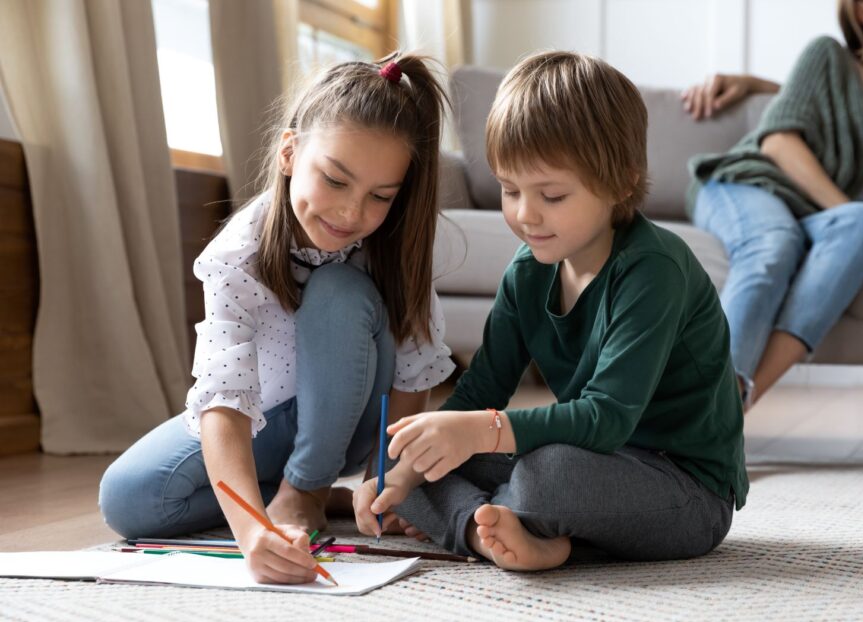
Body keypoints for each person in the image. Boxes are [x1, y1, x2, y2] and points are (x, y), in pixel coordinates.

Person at [351, 51, 748, 572]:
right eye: (509, 190)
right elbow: (480, 390)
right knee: (408, 453)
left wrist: (475, 433)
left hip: (685, 487)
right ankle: (486, 530)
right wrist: (403, 472)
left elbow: (605, 419)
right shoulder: (528, 272)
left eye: (552, 195)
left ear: (623, 181)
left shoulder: (654, 270)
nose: (524, 214)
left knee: (546, 476)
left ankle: (513, 519)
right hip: (591, 459)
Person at [99, 53, 455, 584]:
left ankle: (307, 487)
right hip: (266, 420)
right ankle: (310, 495)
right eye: (335, 181)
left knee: (338, 293)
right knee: (127, 499)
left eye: (380, 197)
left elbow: (412, 376)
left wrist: (385, 477)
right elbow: (224, 398)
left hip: (352, 413)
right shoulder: (234, 255)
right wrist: (251, 531)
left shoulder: (395, 246)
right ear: (290, 152)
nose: (351, 214)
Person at [684, 0, 863, 410]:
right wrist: (845, 209)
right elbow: (779, 140)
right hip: (749, 186)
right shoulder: (829, 54)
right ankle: (710, 409)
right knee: (775, 243)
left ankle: (728, 410)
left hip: (818, 218)